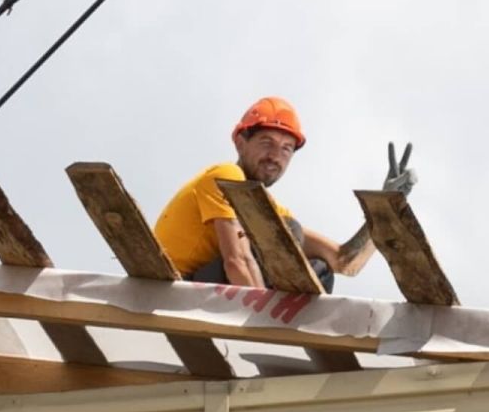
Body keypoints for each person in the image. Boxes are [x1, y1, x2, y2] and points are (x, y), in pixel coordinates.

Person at [153, 96, 416, 293]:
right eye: (266, 142)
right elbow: (238, 261)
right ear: (240, 142)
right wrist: (264, 325)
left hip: (216, 291)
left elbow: (344, 261)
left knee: (319, 269)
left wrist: (386, 210)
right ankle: (270, 322)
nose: (275, 156)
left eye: (286, 148)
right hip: (179, 292)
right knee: (287, 231)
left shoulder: (266, 207)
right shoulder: (226, 174)